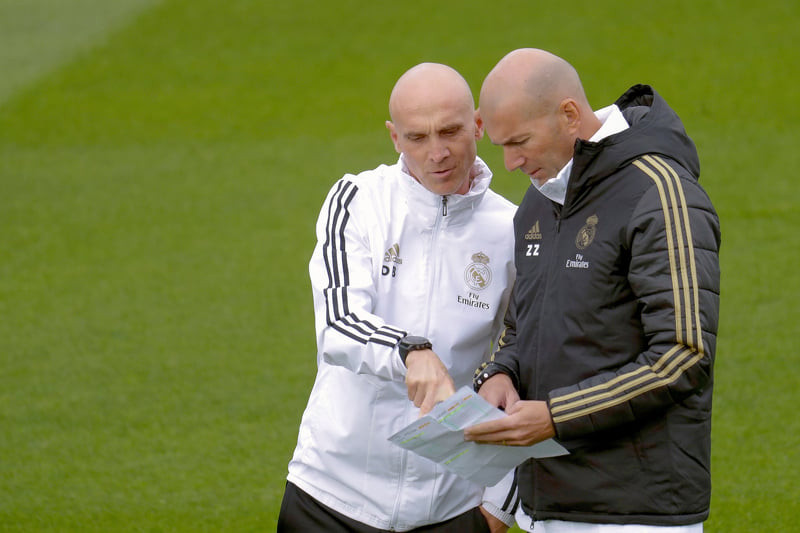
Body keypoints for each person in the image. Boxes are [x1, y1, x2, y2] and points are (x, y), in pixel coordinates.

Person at [463, 48, 721, 532]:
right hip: (549, 504)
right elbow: (522, 325)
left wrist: (556, 416)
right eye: (500, 145)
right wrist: (499, 372)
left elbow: (683, 354)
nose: (511, 162)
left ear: (568, 115)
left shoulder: (661, 193)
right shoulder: (539, 204)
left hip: (637, 513)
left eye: (520, 141)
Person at [278, 63, 520, 532]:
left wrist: (498, 508)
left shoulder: (512, 229)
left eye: (450, 131)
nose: (437, 153)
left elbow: (532, 360)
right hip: (330, 496)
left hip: (451, 506)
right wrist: (409, 351)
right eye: (416, 138)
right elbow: (339, 321)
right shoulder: (358, 200)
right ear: (394, 138)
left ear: (478, 124)